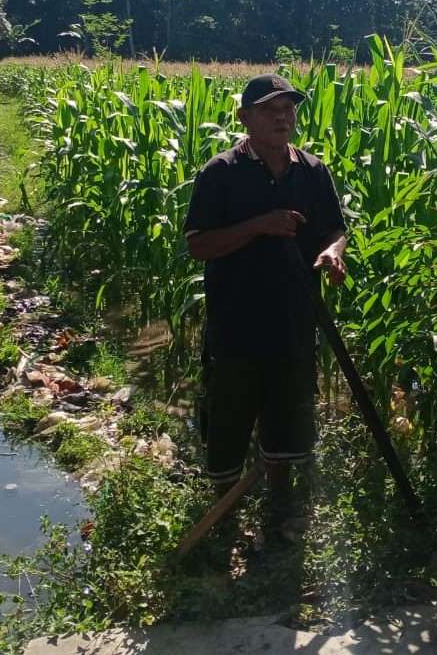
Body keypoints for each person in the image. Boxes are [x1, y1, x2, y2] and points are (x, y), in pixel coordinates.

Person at [184, 73, 347, 541]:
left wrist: (333, 251)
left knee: (288, 412)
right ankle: (226, 516)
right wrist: (259, 225)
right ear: (244, 118)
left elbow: (335, 228)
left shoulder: (311, 171)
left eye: (288, 109)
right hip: (236, 322)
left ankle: (280, 508)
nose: (282, 117)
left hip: (294, 320)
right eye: (269, 109)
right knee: (229, 414)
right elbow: (198, 245)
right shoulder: (222, 172)